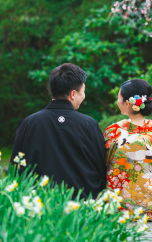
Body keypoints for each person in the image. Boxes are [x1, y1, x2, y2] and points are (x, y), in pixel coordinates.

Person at [10, 63, 107, 199]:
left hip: (38, 204)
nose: (83, 96)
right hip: (81, 207)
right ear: (73, 94)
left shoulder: (29, 123)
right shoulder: (88, 124)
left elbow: (15, 168)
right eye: (82, 91)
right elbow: (101, 167)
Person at [104, 79, 152, 221]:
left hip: (118, 210)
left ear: (127, 103)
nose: (117, 101)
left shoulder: (113, 132)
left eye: (119, 97)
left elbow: (102, 163)